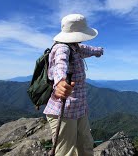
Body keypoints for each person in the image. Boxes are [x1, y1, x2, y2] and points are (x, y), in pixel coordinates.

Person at [43, 13, 103, 156]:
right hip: (63, 111)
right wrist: (60, 83)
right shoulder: (62, 48)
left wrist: (99, 51)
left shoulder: (75, 47)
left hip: (79, 109)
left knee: (86, 145)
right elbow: (60, 65)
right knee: (66, 152)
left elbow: (88, 49)